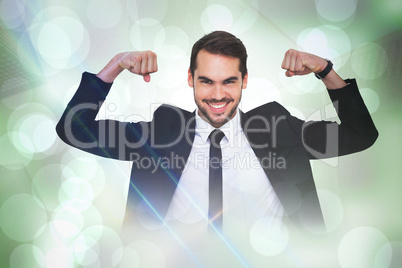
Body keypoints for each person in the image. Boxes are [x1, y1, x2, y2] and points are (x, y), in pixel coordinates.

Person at [56, 31, 378, 235]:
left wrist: (325, 71)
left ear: (245, 80)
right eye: (206, 81)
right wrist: (115, 66)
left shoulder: (278, 128)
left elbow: (360, 134)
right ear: (190, 79)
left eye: (229, 81)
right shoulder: (160, 133)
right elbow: (74, 129)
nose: (217, 95)